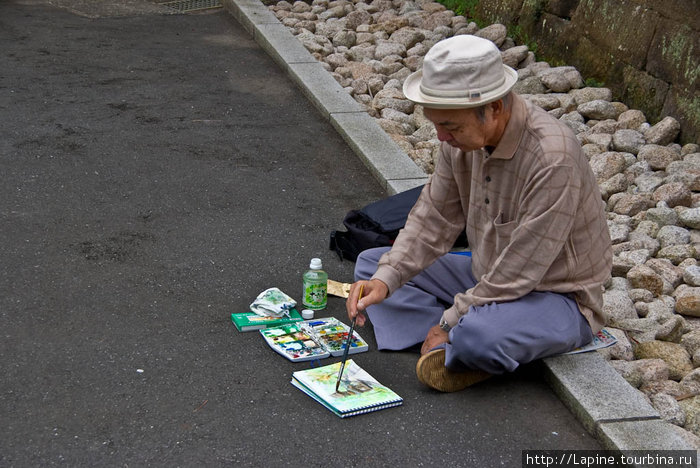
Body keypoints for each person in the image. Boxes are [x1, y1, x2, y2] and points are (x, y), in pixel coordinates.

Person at [345, 35, 612, 392]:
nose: (441, 137)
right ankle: (449, 346)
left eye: (451, 127)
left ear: (495, 108)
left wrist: (451, 320)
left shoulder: (552, 158)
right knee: (371, 266)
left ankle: (461, 342)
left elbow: (518, 273)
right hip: (482, 273)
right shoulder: (460, 143)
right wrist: (385, 280)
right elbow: (433, 218)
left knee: (477, 334)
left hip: (556, 295)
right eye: (436, 124)